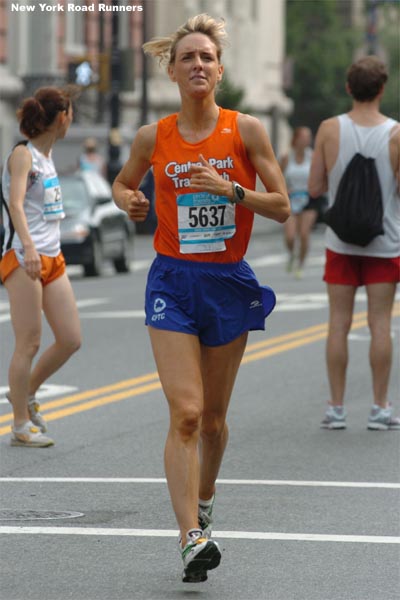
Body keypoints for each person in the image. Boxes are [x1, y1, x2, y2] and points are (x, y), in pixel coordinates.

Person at [112, 14, 290, 583]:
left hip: (227, 282)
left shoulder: (246, 131)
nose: (197, 65)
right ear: (171, 70)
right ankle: (190, 536)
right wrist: (129, 203)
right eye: (187, 57)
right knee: (185, 415)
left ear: (218, 70)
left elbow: (283, 204)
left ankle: (204, 500)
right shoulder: (153, 136)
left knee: (212, 421)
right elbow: (123, 182)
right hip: (171, 281)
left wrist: (233, 191)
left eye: (206, 58)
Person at [308, 56, 400, 431]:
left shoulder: (330, 129)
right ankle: (379, 409)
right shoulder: (396, 133)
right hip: (385, 241)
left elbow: (315, 187)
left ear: (349, 88)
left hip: (340, 241)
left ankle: (336, 408)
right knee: (380, 324)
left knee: (338, 324)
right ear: (382, 89)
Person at [0, 86, 82, 447]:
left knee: (70, 339)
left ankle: (25, 393)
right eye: (71, 113)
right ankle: (19, 425)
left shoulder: (47, 158)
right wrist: (29, 248)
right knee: (29, 342)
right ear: (61, 116)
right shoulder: (24, 155)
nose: (72, 120)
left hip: (53, 257)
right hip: (23, 257)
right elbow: (16, 205)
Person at [279, 126, 318, 278]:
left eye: (309, 137)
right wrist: (285, 189)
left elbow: (319, 176)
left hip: (309, 200)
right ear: (296, 139)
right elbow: (277, 178)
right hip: (291, 199)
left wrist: (313, 188)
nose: (307, 140)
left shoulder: (313, 156)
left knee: (304, 234)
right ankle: (291, 254)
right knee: (290, 236)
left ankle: (300, 265)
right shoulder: (287, 157)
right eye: (304, 137)